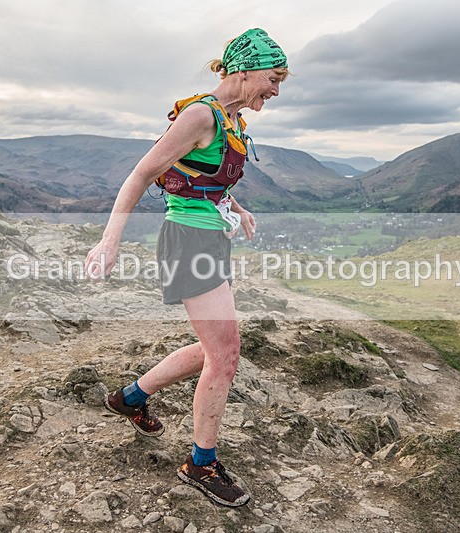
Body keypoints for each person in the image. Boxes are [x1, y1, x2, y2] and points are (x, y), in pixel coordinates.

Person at [85, 28, 288, 507]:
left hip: (210, 238)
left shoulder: (232, 119)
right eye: (273, 78)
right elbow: (143, 173)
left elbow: (201, 177)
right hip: (188, 242)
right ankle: (200, 464)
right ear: (242, 70)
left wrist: (235, 206)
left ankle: (130, 398)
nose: (276, 91)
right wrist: (109, 240)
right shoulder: (201, 114)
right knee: (226, 355)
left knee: (213, 348)